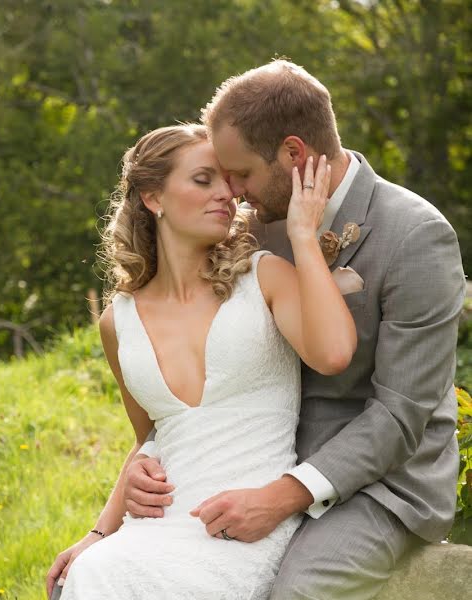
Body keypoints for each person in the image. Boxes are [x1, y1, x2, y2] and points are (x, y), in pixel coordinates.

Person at [117, 60, 465, 599]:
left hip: (382, 484)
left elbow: (401, 416)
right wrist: (143, 464)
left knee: (296, 592)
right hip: (262, 460)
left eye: (241, 175)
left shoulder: (416, 235)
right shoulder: (255, 233)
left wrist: (282, 496)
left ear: (294, 154)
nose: (233, 193)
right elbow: (204, 370)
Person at [45, 120, 358, 599]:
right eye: (202, 179)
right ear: (154, 198)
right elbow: (147, 437)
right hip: (154, 528)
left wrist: (302, 236)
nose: (227, 195)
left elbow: (334, 353)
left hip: (243, 527)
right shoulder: (117, 321)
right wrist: (98, 532)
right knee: (91, 573)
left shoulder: (264, 278)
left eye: (229, 183)